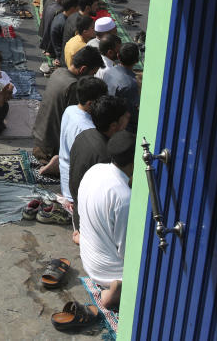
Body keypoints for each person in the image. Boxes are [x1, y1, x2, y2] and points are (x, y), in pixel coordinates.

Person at [77, 130, 136, 311]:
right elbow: (128, 252)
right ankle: (114, 293)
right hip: (108, 273)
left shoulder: (95, 170)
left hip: (88, 258)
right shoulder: (124, 198)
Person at [68, 96, 131, 244]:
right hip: (90, 225)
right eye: (125, 117)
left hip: (78, 211)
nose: (128, 117)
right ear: (114, 125)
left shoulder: (85, 134)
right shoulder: (107, 158)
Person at [32, 46, 104, 169]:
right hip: (50, 148)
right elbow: (75, 122)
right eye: (93, 74)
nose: (93, 77)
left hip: (39, 137)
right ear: (83, 69)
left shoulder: (58, 72)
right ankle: (55, 164)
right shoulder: (73, 86)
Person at [58, 77, 110, 204]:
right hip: (75, 190)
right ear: (90, 103)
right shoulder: (87, 129)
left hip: (65, 175)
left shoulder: (70, 110)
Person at [101, 43, 142, 113]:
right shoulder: (131, 84)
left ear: (118, 56)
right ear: (137, 61)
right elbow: (131, 113)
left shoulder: (108, 72)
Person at [50, 0, 81, 66]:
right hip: (62, 54)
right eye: (78, 8)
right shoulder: (64, 23)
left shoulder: (61, 15)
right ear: (73, 8)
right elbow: (59, 45)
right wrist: (60, 58)